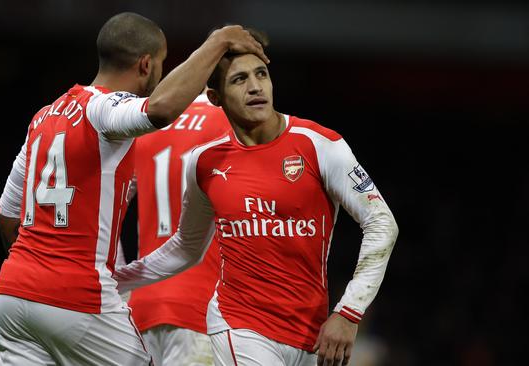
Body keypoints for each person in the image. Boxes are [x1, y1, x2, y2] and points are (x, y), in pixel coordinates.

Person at [0, 12, 268, 365]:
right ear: (146, 65)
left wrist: (35, 277)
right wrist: (218, 41)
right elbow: (161, 109)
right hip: (79, 295)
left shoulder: (43, 117)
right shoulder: (105, 108)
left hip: (12, 296)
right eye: (162, 63)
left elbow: (6, 215)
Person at [114, 29, 399, 366]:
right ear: (216, 98)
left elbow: (382, 223)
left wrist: (348, 313)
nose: (254, 86)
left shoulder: (321, 146)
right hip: (237, 326)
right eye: (239, 80)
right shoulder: (204, 162)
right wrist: (118, 278)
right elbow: (187, 247)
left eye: (261, 74)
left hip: (309, 332)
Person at [128, 92, 229, 365]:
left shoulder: (146, 122)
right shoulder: (229, 120)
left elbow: (108, 208)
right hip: (201, 305)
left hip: (141, 305)